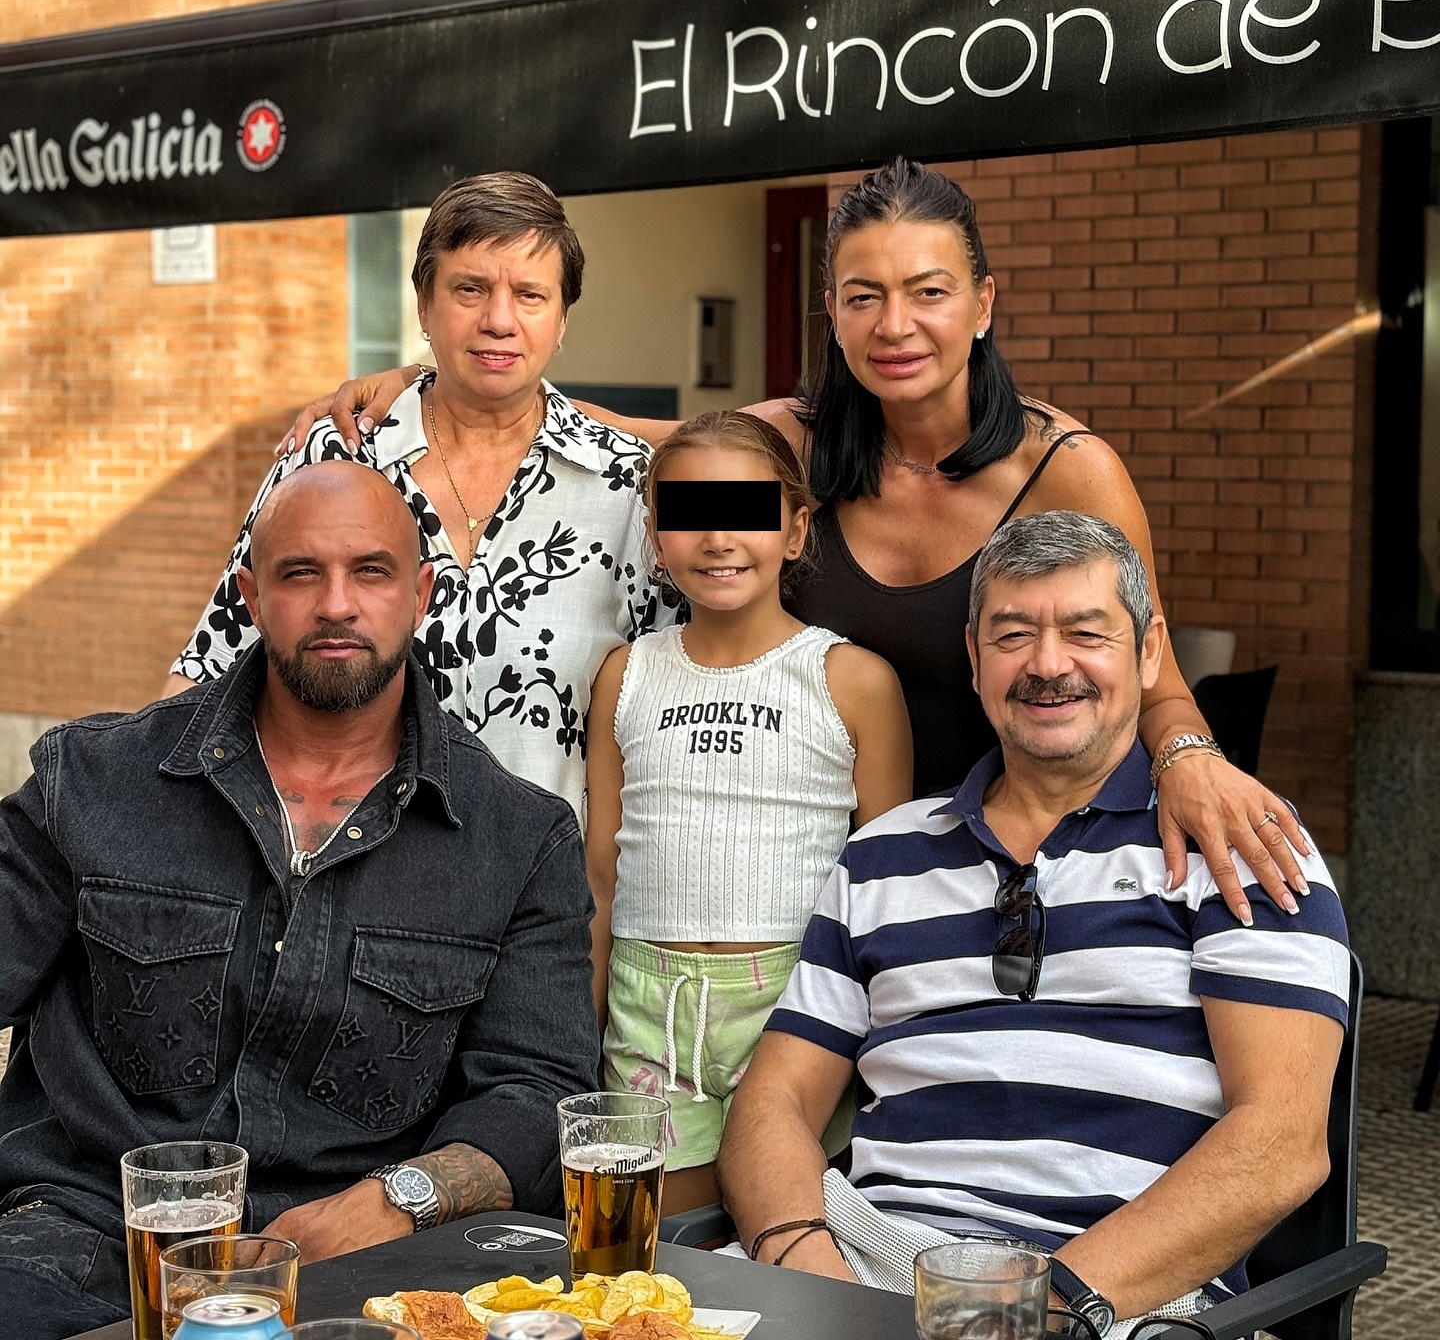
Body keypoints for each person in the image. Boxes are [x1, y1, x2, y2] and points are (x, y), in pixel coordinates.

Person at [287, 156, 1307, 926]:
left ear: (983, 304)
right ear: (832, 312)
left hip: (1019, 856)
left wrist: (1192, 759)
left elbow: (1150, 672)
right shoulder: (793, 447)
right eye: (864, 296)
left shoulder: (1067, 470)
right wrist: (429, 386)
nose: (895, 324)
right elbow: (615, 435)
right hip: (811, 884)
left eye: (929, 291)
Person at [0, 462, 599, 1340]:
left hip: (353, 1259)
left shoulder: (517, 838)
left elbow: (538, 1090)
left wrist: (398, 1200)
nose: (336, 605)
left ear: (421, 595)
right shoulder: (93, 781)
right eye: (300, 573)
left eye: (371, 572)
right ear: (251, 596)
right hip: (84, 1236)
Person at [715, 510, 1349, 1336]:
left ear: (1148, 651)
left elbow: (1282, 1144)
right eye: (1013, 635)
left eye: (1086, 633)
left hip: (1118, 1297)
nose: (1048, 665)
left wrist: (1028, 1310)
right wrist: (809, 1271)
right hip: (870, 1269)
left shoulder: (1238, 845)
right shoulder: (880, 857)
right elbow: (774, 1099)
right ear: (974, 656)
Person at [165, 170, 675, 821]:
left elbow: (682, 701)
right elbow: (211, 668)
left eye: (530, 295)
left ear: (562, 320)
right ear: (424, 306)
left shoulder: (631, 482)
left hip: (546, 876)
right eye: (470, 289)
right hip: (341, 869)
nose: (499, 320)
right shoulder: (335, 453)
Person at [586, 412, 912, 1215]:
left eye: (746, 511)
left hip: (799, 1007)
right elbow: (600, 878)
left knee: (782, 1228)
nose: (718, 538)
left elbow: (890, 893)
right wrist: (577, 1039)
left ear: (796, 530)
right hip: (648, 1010)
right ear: (655, 539)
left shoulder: (850, 680)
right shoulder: (626, 677)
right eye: (688, 514)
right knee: (661, 1241)